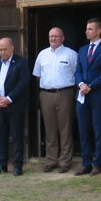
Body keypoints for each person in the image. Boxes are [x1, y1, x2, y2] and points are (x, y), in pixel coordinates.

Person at [33, 27, 78, 173]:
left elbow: (77, 73)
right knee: (49, 128)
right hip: (46, 94)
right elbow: (38, 75)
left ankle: (65, 161)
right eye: (51, 36)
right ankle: (51, 160)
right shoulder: (42, 54)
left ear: (63, 38)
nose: (53, 39)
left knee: (65, 129)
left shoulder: (71, 54)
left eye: (56, 36)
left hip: (65, 94)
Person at [75, 19, 101, 176]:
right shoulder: (82, 49)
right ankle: (86, 163)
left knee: (98, 129)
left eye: (90, 29)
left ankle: (98, 163)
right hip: (82, 95)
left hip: (99, 95)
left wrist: (90, 86)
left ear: (99, 31)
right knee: (83, 130)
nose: (86, 31)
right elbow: (78, 71)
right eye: (86, 29)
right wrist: (81, 85)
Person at [0, 37, 29, 176]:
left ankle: (17, 166)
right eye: (0, 50)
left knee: (17, 136)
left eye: (5, 49)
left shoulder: (21, 63)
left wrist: (9, 99)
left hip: (15, 106)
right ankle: (2, 165)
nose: (2, 52)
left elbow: (23, 83)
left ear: (12, 48)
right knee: (1, 136)